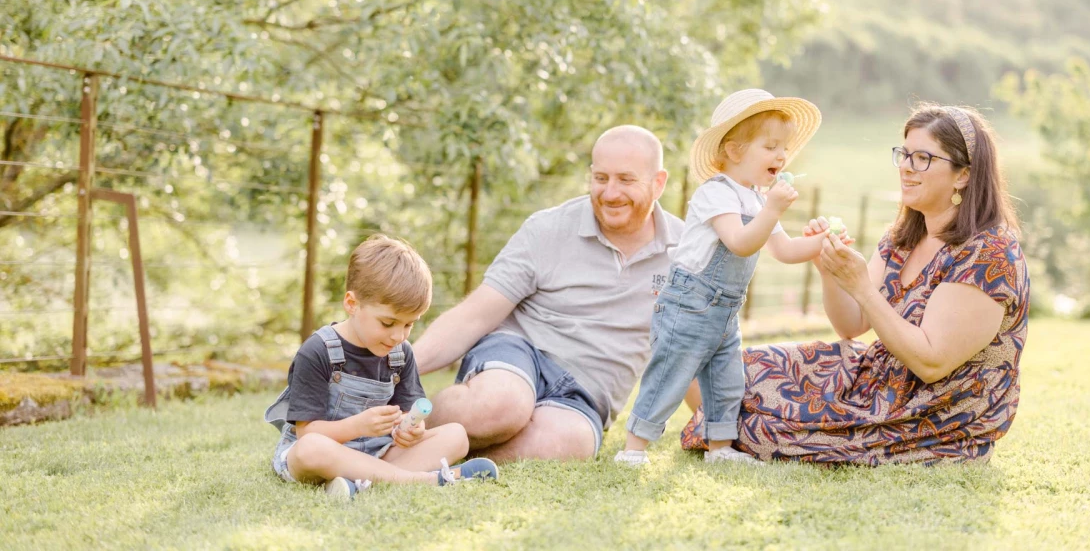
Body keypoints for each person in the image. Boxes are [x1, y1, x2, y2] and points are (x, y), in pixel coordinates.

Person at [680, 104, 1029, 464]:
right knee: (716, 368)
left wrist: (861, 286)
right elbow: (852, 325)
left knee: (763, 429)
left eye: (923, 158)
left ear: (963, 176)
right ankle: (724, 430)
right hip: (876, 379)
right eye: (904, 155)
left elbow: (931, 363)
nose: (906, 167)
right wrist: (828, 268)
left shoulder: (989, 253)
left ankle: (729, 432)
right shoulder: (903, 238)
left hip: (933, 414)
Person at [413, 126, 684, 461]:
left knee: (567, 443)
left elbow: (695, 346)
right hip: (519, 351)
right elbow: (476, 314)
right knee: (500, 406)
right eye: (601, 178)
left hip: (586, 393)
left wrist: (722, 430)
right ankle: (397, 430)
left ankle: (432, 454)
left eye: (626, 180)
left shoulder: (685, 254)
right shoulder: (548, 228)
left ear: (658, 182)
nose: (610, 193)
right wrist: (397, 368)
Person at [616, 89, 833, 466]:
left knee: (726, 380)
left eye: (783, 148)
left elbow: (782, 251)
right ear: (734, 151)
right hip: (690, 304)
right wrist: (773, 210)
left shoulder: (756, 199)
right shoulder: (716, 193)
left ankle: (720, 449)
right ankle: (634, 449)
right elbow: (740, 243)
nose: (781, 156)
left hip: (724, 310)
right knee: (671, 373)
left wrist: (820, 242)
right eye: (770, 146)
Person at [264, 235, 500, 498]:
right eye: (388, 323)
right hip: (321, 454)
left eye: (409, 324)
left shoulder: (400, 354)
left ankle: (359, 484)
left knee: (456, 436)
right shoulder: (318, 351)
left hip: (377, 451)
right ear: (352, 304)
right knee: (311, 448)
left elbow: (412, 413)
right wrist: (359, 426)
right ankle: (423, 481)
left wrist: (412, 429)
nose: (398, 336)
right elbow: (307, 432)